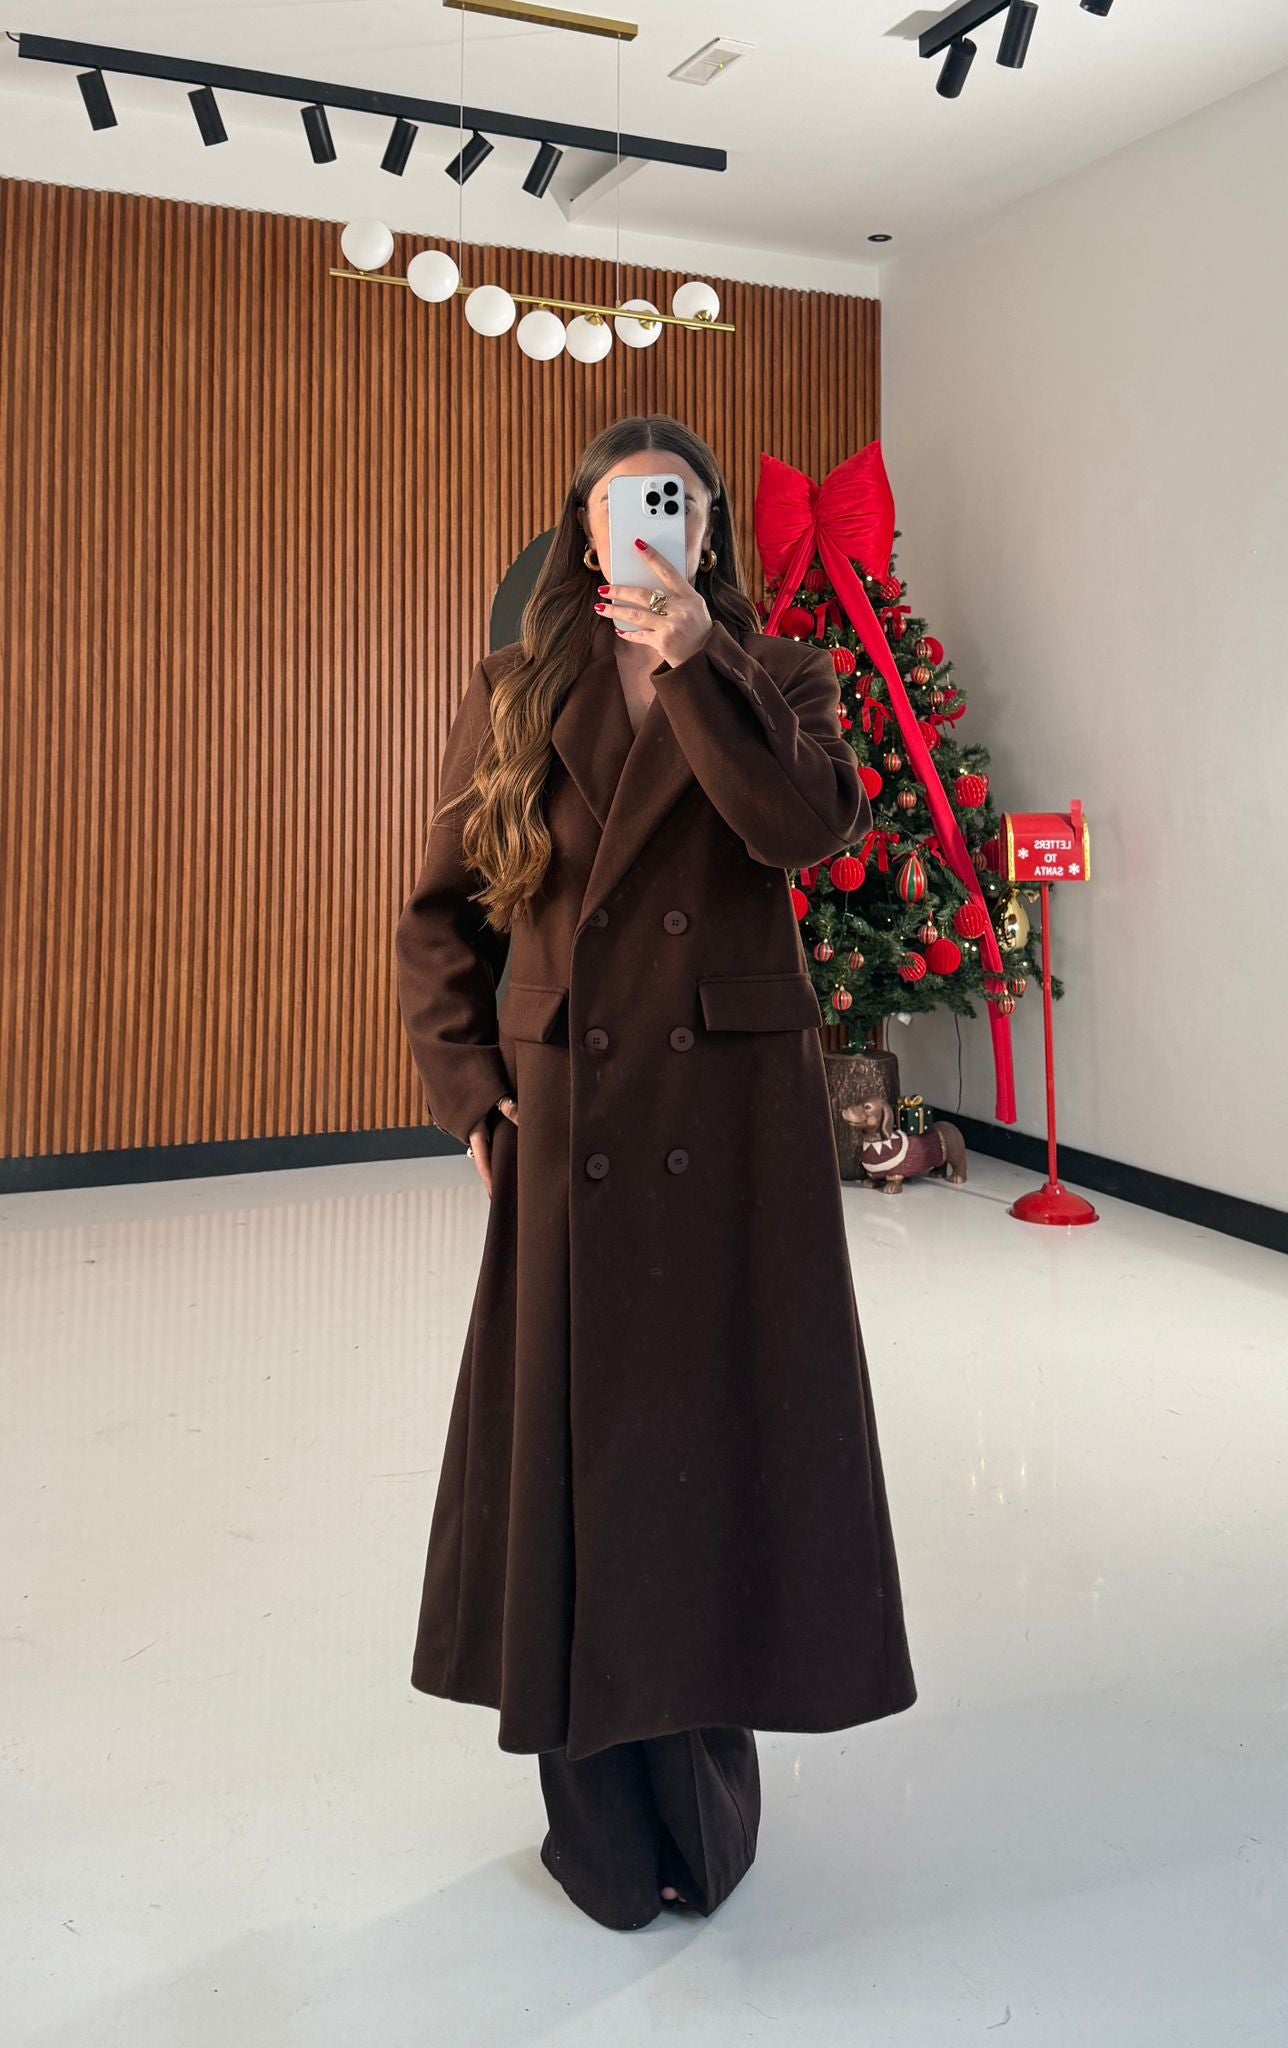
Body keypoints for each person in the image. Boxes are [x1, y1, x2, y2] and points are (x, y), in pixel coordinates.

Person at [394, 413, 918, 1932]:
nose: (650, 531)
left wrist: (699, 664)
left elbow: (803, 831)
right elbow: (440, 917)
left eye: (676, 507)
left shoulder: (783, 679)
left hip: (733, 1128)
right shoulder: (515, 693)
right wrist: (473, 1094)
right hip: (571, 1119)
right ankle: (604, 1837)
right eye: (624, 508)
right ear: (582, 532)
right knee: (581, 1453)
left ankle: (705, 1813)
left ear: (708, 532)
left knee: (715, 1449)